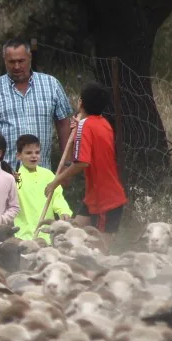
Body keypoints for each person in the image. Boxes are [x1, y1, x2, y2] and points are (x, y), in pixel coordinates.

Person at [0, 39, 73, 171]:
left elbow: (64, 123)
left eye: (21, 61)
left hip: (41, 175)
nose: (17, 66)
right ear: (4, 60)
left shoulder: (51, 85)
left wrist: (66, 162)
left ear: (30, 58)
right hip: (2, 175)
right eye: (12, 62)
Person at [44, 83, 128, 237]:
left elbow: (82, 162)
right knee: (72, 233)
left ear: (81, 102)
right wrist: (75, 132)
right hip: (94, 195)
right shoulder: (103, 122)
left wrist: (56, 181)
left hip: (105, 198)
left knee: (100, 247)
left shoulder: (85, 125)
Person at [14, 134, 71, 242]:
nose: (34, 156)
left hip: (48, 235)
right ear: (18, 155)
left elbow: (57, 197)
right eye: (28, 153)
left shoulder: (48, 175)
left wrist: (63, 211)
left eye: (37, 152)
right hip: (23, 236)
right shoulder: (15, 178)